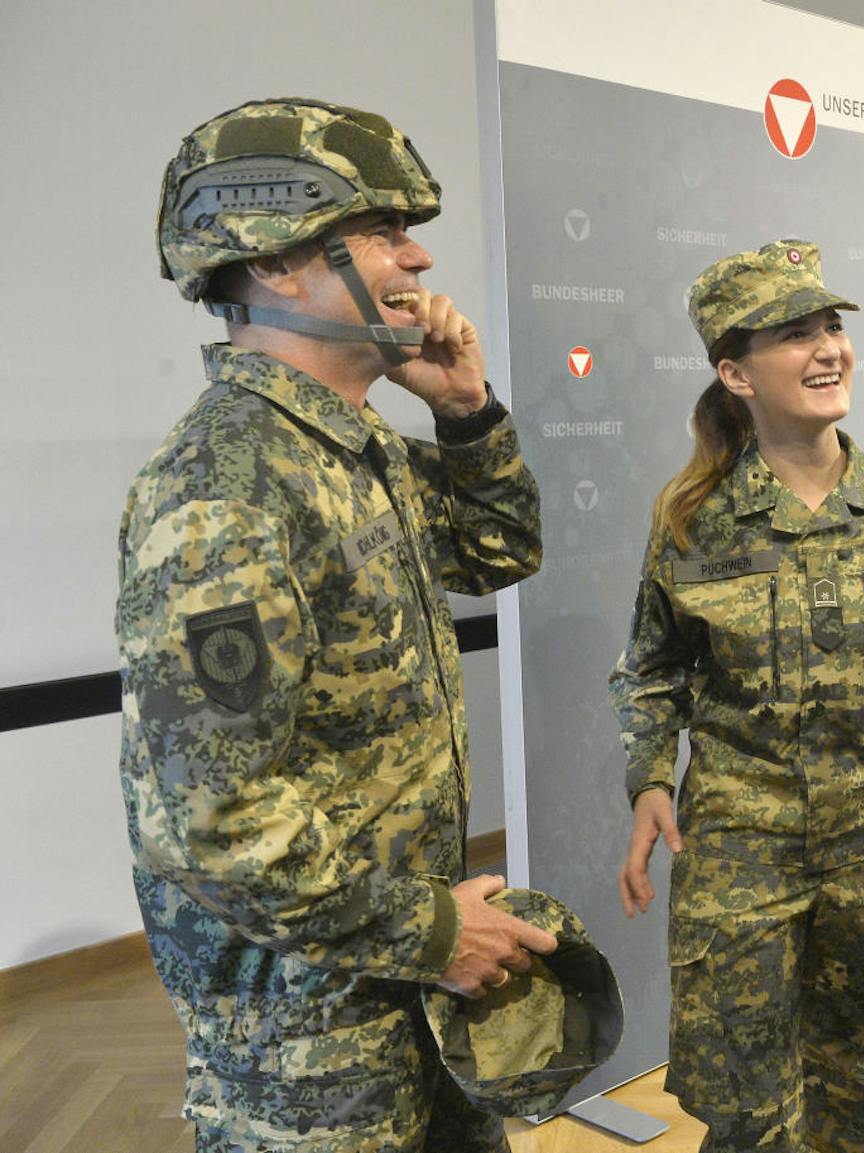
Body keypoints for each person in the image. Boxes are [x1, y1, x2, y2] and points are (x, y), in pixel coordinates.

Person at [120, 98, 551, 1152]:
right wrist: (438, 931)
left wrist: (464, 412)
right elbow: (213, 821)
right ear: (275, 263)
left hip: (407, 991)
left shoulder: (350, 446)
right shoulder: (225, 485)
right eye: (381, 232)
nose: (417, 256)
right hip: (309, 1049)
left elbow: (498, 554)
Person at [608, 240, 864, 1153]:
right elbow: (653, 667)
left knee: (861, 1086)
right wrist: (650, 779)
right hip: (741, 854)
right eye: (793, 335)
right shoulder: (691, 521)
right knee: (750, 1111)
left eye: (831, 326)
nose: (827, 349)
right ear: (734, 372)